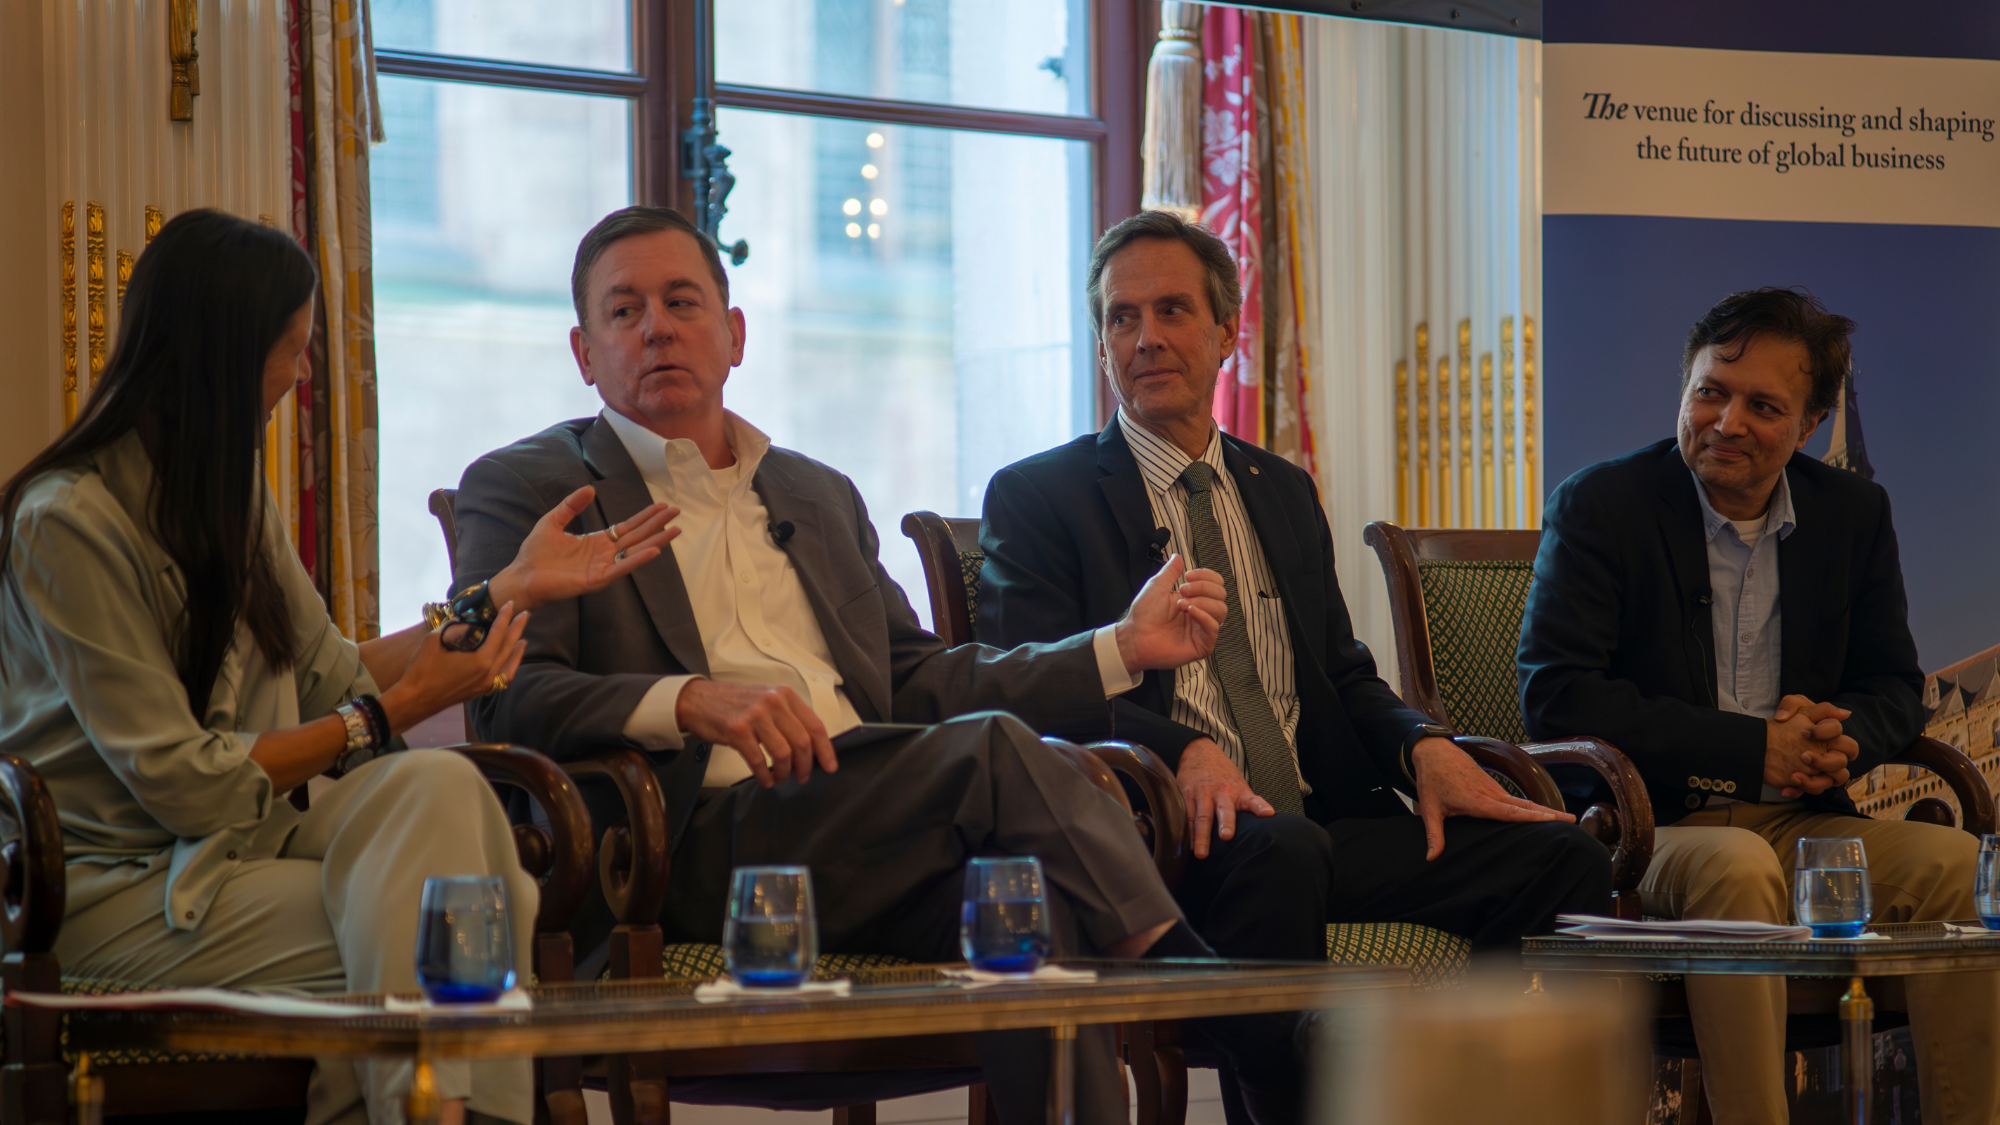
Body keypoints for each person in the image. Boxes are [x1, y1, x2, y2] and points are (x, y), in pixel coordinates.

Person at [451, 205, 1235, 1125]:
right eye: (624, 311)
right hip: (685, 838)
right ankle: (1179, 968)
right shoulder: (529, 487)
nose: (657, 326)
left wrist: (1120, 647)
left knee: (1028, 911)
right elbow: (512, 698)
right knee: (993, 752)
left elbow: (920, 680)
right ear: (585, 353)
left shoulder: (816, 492)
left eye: (681, 301)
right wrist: (689, 700)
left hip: (865, 821)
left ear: (733, 334)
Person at [0, 209, 684, 1125]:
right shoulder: (66, 521)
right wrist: (389, 715)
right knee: (459, 936)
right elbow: (186, 785)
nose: (305, 372)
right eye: (295, 348)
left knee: (437, 793)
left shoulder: (229, 490)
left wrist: (509, 587)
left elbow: (332, 673)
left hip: (246, 850)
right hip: (117, 886)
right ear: (229, 354)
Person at [977, 210, 1613, 1123]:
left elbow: (1345, 672)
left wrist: (1421, 747)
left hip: (1318, 823)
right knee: (1284, 850)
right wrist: (1178, 749)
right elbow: (1026, 686)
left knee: (1556, 857)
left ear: (1226, 331)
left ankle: (1443, 1089)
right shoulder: (1042, 496)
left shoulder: (1282, 488)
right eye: (1121, 318)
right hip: (1164, 836)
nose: (1146, 337)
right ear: (1101, 342)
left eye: (1170, 310)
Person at [1518, 286, 1999, 1125]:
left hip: (1805, 821)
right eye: (1711, 391)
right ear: (1685, 388)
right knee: (1740, 871)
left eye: (1764, 405)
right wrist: (1752, 749)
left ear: (1810, 425)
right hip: (1647, 829)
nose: (1727, 421)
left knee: (1964, 871)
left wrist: (1837, 738)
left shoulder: (1853, 513)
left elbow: (1894, 684)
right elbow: (1557, 695)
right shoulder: (1602, 506)